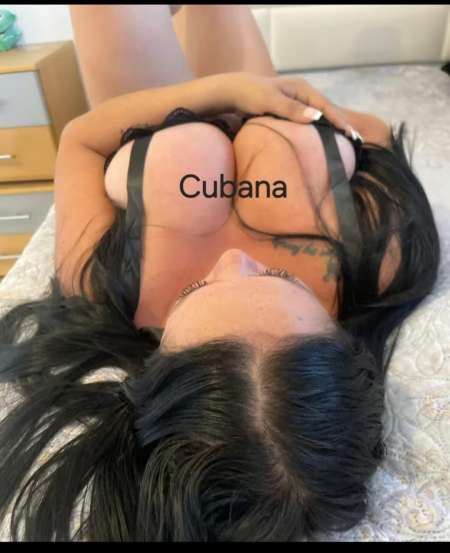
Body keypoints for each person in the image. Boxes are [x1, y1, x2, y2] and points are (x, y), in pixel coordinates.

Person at [0, 5, 441, 541]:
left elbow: (81, 141)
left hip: (155, 112)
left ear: (155, 365)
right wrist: (278, 101)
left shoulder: (103, 283)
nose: (232, 260)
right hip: (269, 102)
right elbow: (373, 135)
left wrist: (219, 93)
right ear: (342, 340)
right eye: (280, 278)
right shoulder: (377, 263)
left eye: (195, 290)